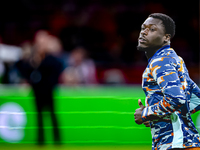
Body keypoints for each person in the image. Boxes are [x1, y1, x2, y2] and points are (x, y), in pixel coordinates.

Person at [134, 13, 200, 150]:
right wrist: (158, 116)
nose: (144, 32)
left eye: (152, 29)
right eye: (143, 28)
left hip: (174, 143)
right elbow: (196, 99)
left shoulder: (161, 61)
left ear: (166, 37)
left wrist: (146, 114)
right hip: (187, 143)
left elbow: (176, 99)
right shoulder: (174, 59)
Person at [16, 30, 65, 145]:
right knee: (39, 116)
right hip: (37, 91)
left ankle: (57, 141)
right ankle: (40, 140)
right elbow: (23, 68)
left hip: (48, 91)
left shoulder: (52, 58)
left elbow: (56, 70)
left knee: (52, 115)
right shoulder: (33, 58)